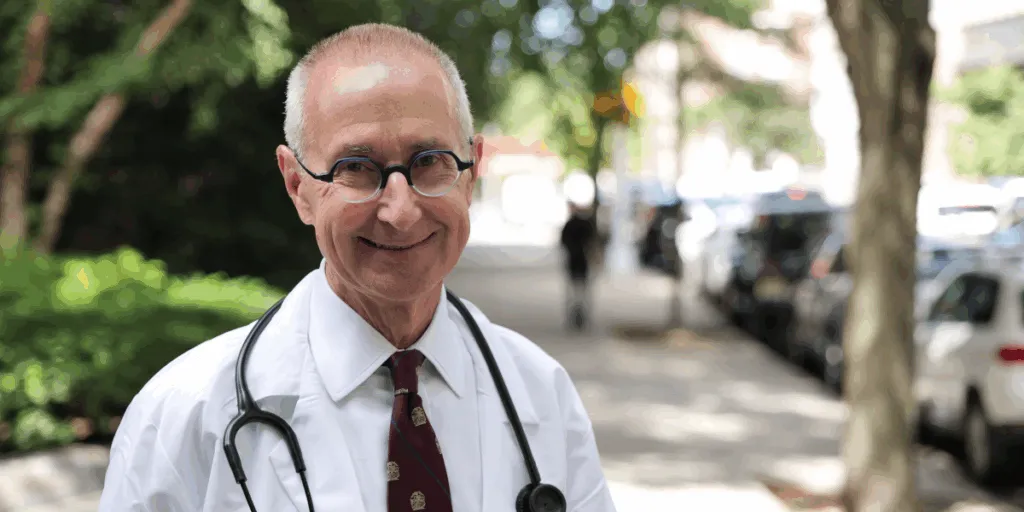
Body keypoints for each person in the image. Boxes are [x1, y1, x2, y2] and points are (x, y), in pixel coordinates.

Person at [97, 24, 615, 512]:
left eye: (429, 161)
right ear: (297, 186)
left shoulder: (542, 393)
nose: (400, 211)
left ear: (471, 172)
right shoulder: (181, 418)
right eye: (356, 168)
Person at [559, 203, 597, 330]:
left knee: (574, 292)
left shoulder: (570, 225)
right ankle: (581, 316)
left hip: (574, 261)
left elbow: (563, 242)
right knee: (582, 292)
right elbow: (591, 244)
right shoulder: (586, 225)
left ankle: (574, 316)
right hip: (582, 261)